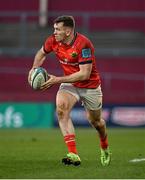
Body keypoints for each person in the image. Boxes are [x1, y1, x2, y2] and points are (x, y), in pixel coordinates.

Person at [28, 15, 111, 166]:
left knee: (96, 122)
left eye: (57, 29)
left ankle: (104, 145)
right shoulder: (52, 41)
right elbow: (41, 54)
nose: (54, 32)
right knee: (61, 110)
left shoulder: (83, 44)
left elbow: (84, 74)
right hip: (70, 84)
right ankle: (73, 153)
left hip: (89, 86)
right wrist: (34, 68)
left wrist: (56, 80)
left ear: (67, 32)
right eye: (54, 29)